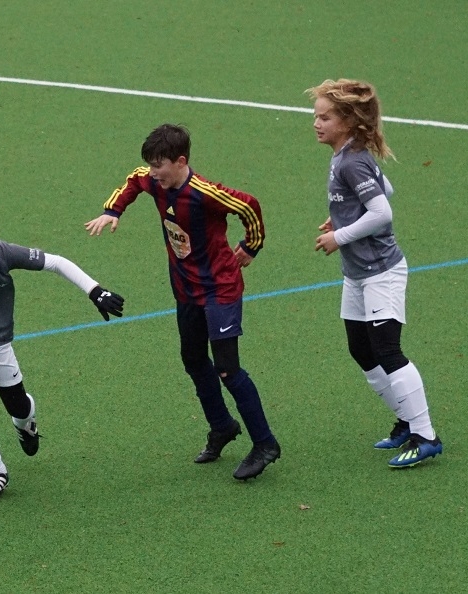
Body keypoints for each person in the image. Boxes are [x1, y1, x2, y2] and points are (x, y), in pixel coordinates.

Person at [85, 123, 280, 481]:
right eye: (151, 164)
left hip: (220, 289)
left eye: (159, 165)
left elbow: (249, 205)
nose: (152, 172)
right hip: (186, 289)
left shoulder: (205, 193)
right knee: (192, 358)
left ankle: (265, 443)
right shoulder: (153, 180)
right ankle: (222, 426)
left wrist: (251, 246)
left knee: (228, 369)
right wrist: (113, 210)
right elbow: (133, 179)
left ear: (180, 161)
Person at [0, 195, 124, 502]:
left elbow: (56, 262)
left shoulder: (3, 255)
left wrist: (94, 290)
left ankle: (26, 425)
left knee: (18, 407)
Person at [308, 79, 442, 467]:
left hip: (381, 272)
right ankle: (406, 420)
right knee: (361, 348)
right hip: (357, 273)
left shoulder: (351, 161)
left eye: (325, 117)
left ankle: (426, 435)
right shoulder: (345, 155)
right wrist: (343, 218)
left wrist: (340, 235)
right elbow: (387, 189)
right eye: (316, 116)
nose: (316, 123)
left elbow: (383, 211)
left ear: (348, 121)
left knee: (387, 350)